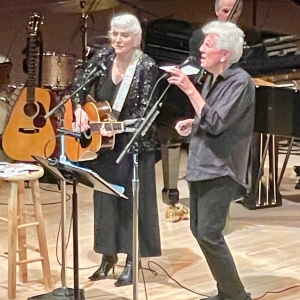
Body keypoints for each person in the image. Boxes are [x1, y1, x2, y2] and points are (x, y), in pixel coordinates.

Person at [72, 12, 161, 287]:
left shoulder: (146, 66)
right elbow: (79, 83)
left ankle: (132, 260)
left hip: (134, 144)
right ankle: (107, 256)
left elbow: (148, 114)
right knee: (105, 201)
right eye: (115, 33)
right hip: (104, 143)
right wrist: (78, 109)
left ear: (136, 38)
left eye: (125, 35)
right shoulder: (102, 57)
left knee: (133, 203)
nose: (118, 39)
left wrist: (118, 127)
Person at [167, 21, 255, 300]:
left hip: (221, 168)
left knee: (208, 232)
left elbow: (217, 123)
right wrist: (193, 124)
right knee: (199, 230)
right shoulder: (213, 79)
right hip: (201, 165)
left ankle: (237, 295)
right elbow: (212, 118)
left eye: (208, 44)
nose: (201, 49)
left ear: (225, 53)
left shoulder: (240, 82)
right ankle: (226, 291)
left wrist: (189, 90)